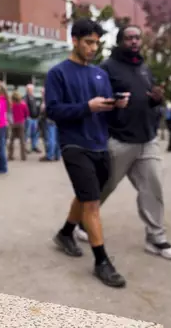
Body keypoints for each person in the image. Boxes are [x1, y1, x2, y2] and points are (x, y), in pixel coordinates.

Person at [74, 25, 171, 260]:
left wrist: (156, 101)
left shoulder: (143, 67)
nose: (134, 41)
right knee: (103, 187)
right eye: (129, 38)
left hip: (147, 139)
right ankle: (81, 222)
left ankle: (156, 239)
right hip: (118, 139)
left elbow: (147, 99)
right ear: (120, 41)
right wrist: (113, 107)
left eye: (137, 38)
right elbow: (96, 103)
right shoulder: (106, 68)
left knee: (153, 187)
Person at [47, 18, 130, 288]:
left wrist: (116, 104)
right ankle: (101, 261)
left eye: (96, 42)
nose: (93, 47)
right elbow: (53, 111)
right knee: (92, 202)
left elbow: (103, 109)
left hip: (99, 144)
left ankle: (65, 233)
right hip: (74, 144)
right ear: (74, 40)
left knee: (86, 195)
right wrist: (87, 107)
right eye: (88, 42)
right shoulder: (58, 73)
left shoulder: (100, 74)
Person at [8, 90, 28, 161]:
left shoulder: (11, 105)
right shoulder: (23, 104)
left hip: (13, 124)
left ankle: (10, 155)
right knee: (22, 141)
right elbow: (26, 114)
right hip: (21, 123)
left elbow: (9, 114)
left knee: (11, 140)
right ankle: (23, 157)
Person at [25, 84, 42, 153]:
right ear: (27, 90)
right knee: (27, 133)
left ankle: (34, 146)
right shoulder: (26, 98)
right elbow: (25, 108)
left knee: (35, 133)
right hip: (29, 119)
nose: (31, 91)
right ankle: (25, 147)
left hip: (35, 118)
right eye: (30, 90)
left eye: (32, 90)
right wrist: (27, 116)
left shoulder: (33, 97)